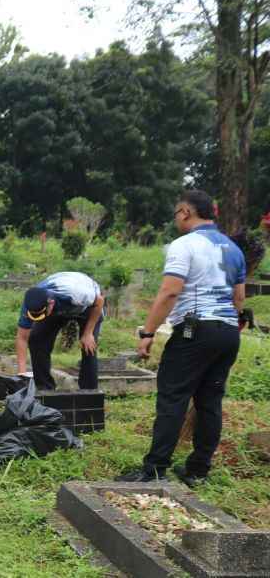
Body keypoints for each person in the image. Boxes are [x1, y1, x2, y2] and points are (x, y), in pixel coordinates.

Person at [117, 190, 245, 486]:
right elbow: (239, 299)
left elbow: (170, 292)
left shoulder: (185, 244)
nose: (176, 218)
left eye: (177, 213)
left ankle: (154, 470)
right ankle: (198, 470)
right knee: (210, 401)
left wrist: (147, 332)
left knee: (173, 398)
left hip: (195, 330)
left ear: (186, 212)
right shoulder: (233, 248)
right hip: (227, 332)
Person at [14, 271, 105, 391]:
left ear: (51, 304)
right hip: (56, 309)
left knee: (89, 346)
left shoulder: (76, 294)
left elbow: (99, 301)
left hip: (88, 308)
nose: (38, 318)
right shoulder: (31, 302)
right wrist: (22, 373)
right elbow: (22, 337)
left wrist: (88, 333)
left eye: (41, 314)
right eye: (35, 316)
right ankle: (44, 389)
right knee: (36, 340)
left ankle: (89, 391)